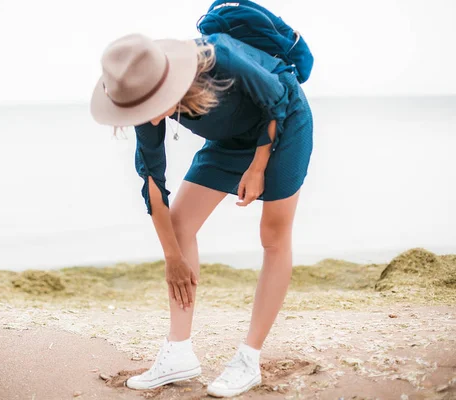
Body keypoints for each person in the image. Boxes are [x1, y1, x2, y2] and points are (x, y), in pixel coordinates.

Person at [90, 31, 313, 398]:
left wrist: (258, 167)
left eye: (147, 107)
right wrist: (172, 258)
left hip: (283, 124)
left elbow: (278, 98)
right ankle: (178, 353)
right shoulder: (141, 100)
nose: (144, 117)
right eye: (136, 110)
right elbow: (153, 183)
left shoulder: (219, 56)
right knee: (179, 226)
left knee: (272, 236)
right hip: (229, 141)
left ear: (166, 84)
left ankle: (248, 358)